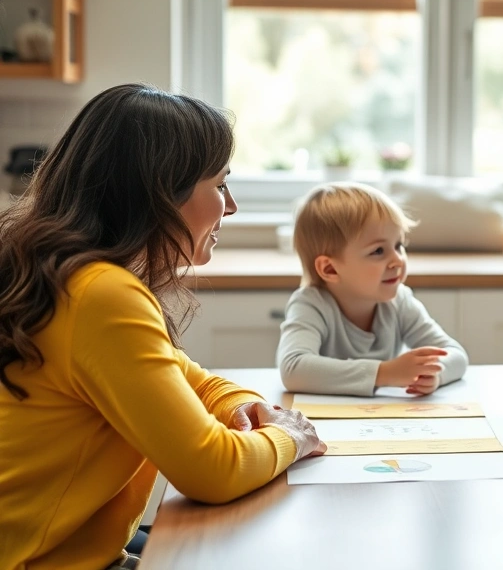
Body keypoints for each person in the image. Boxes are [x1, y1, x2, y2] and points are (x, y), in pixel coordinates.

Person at [0, 83, 326, 570]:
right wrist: (291, 437)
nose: (230, 206)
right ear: (160, 193)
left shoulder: (67, 274)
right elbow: (212, 470)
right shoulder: (100, 296)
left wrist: (247, 408)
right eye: (219, 185)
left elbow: (194, 380)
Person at [277, 183, 468, 397]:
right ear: (330, 269)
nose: (398, 260)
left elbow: (456, 355)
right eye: (378, 251)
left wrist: (435, 373)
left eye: (399, 245)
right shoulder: (311, 304)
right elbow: (293, 369)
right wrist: (384, 373)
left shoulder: (400, 301)